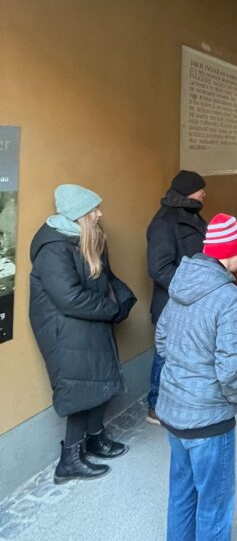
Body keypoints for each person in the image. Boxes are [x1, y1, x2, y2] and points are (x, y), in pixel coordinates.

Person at [155, 213, 237, 541]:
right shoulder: (231, 299)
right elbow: (232, 369)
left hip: (174, 412)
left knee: (182, 491)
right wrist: (232, 402)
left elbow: (162, 341)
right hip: (208, 420)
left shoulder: (181, 284)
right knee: (215, 503)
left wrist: (184, 373)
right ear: (228, 254)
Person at [29, 184, 136, 483]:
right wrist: (111, 309)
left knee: (99, 379)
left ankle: (95, 439)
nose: (100, 214)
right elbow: (69, 298)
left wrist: (123, 301)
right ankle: (70, 460)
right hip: (64, 330)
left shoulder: (86, 238)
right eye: (94, 210)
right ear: (79, 215)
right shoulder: (53, 248)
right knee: (79, 388)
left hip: (87, 322)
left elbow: (104, 278)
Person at [146, 170, 207, 423]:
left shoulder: (191, 214)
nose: (204, 194)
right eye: (201, 189)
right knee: (166, 354)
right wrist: (190, 288)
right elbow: (159, 268)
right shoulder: (164, 222)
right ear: (189, 191)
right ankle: (155, 406)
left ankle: (181, 399)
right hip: (173, 303)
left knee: (184, 353)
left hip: (192, 300)